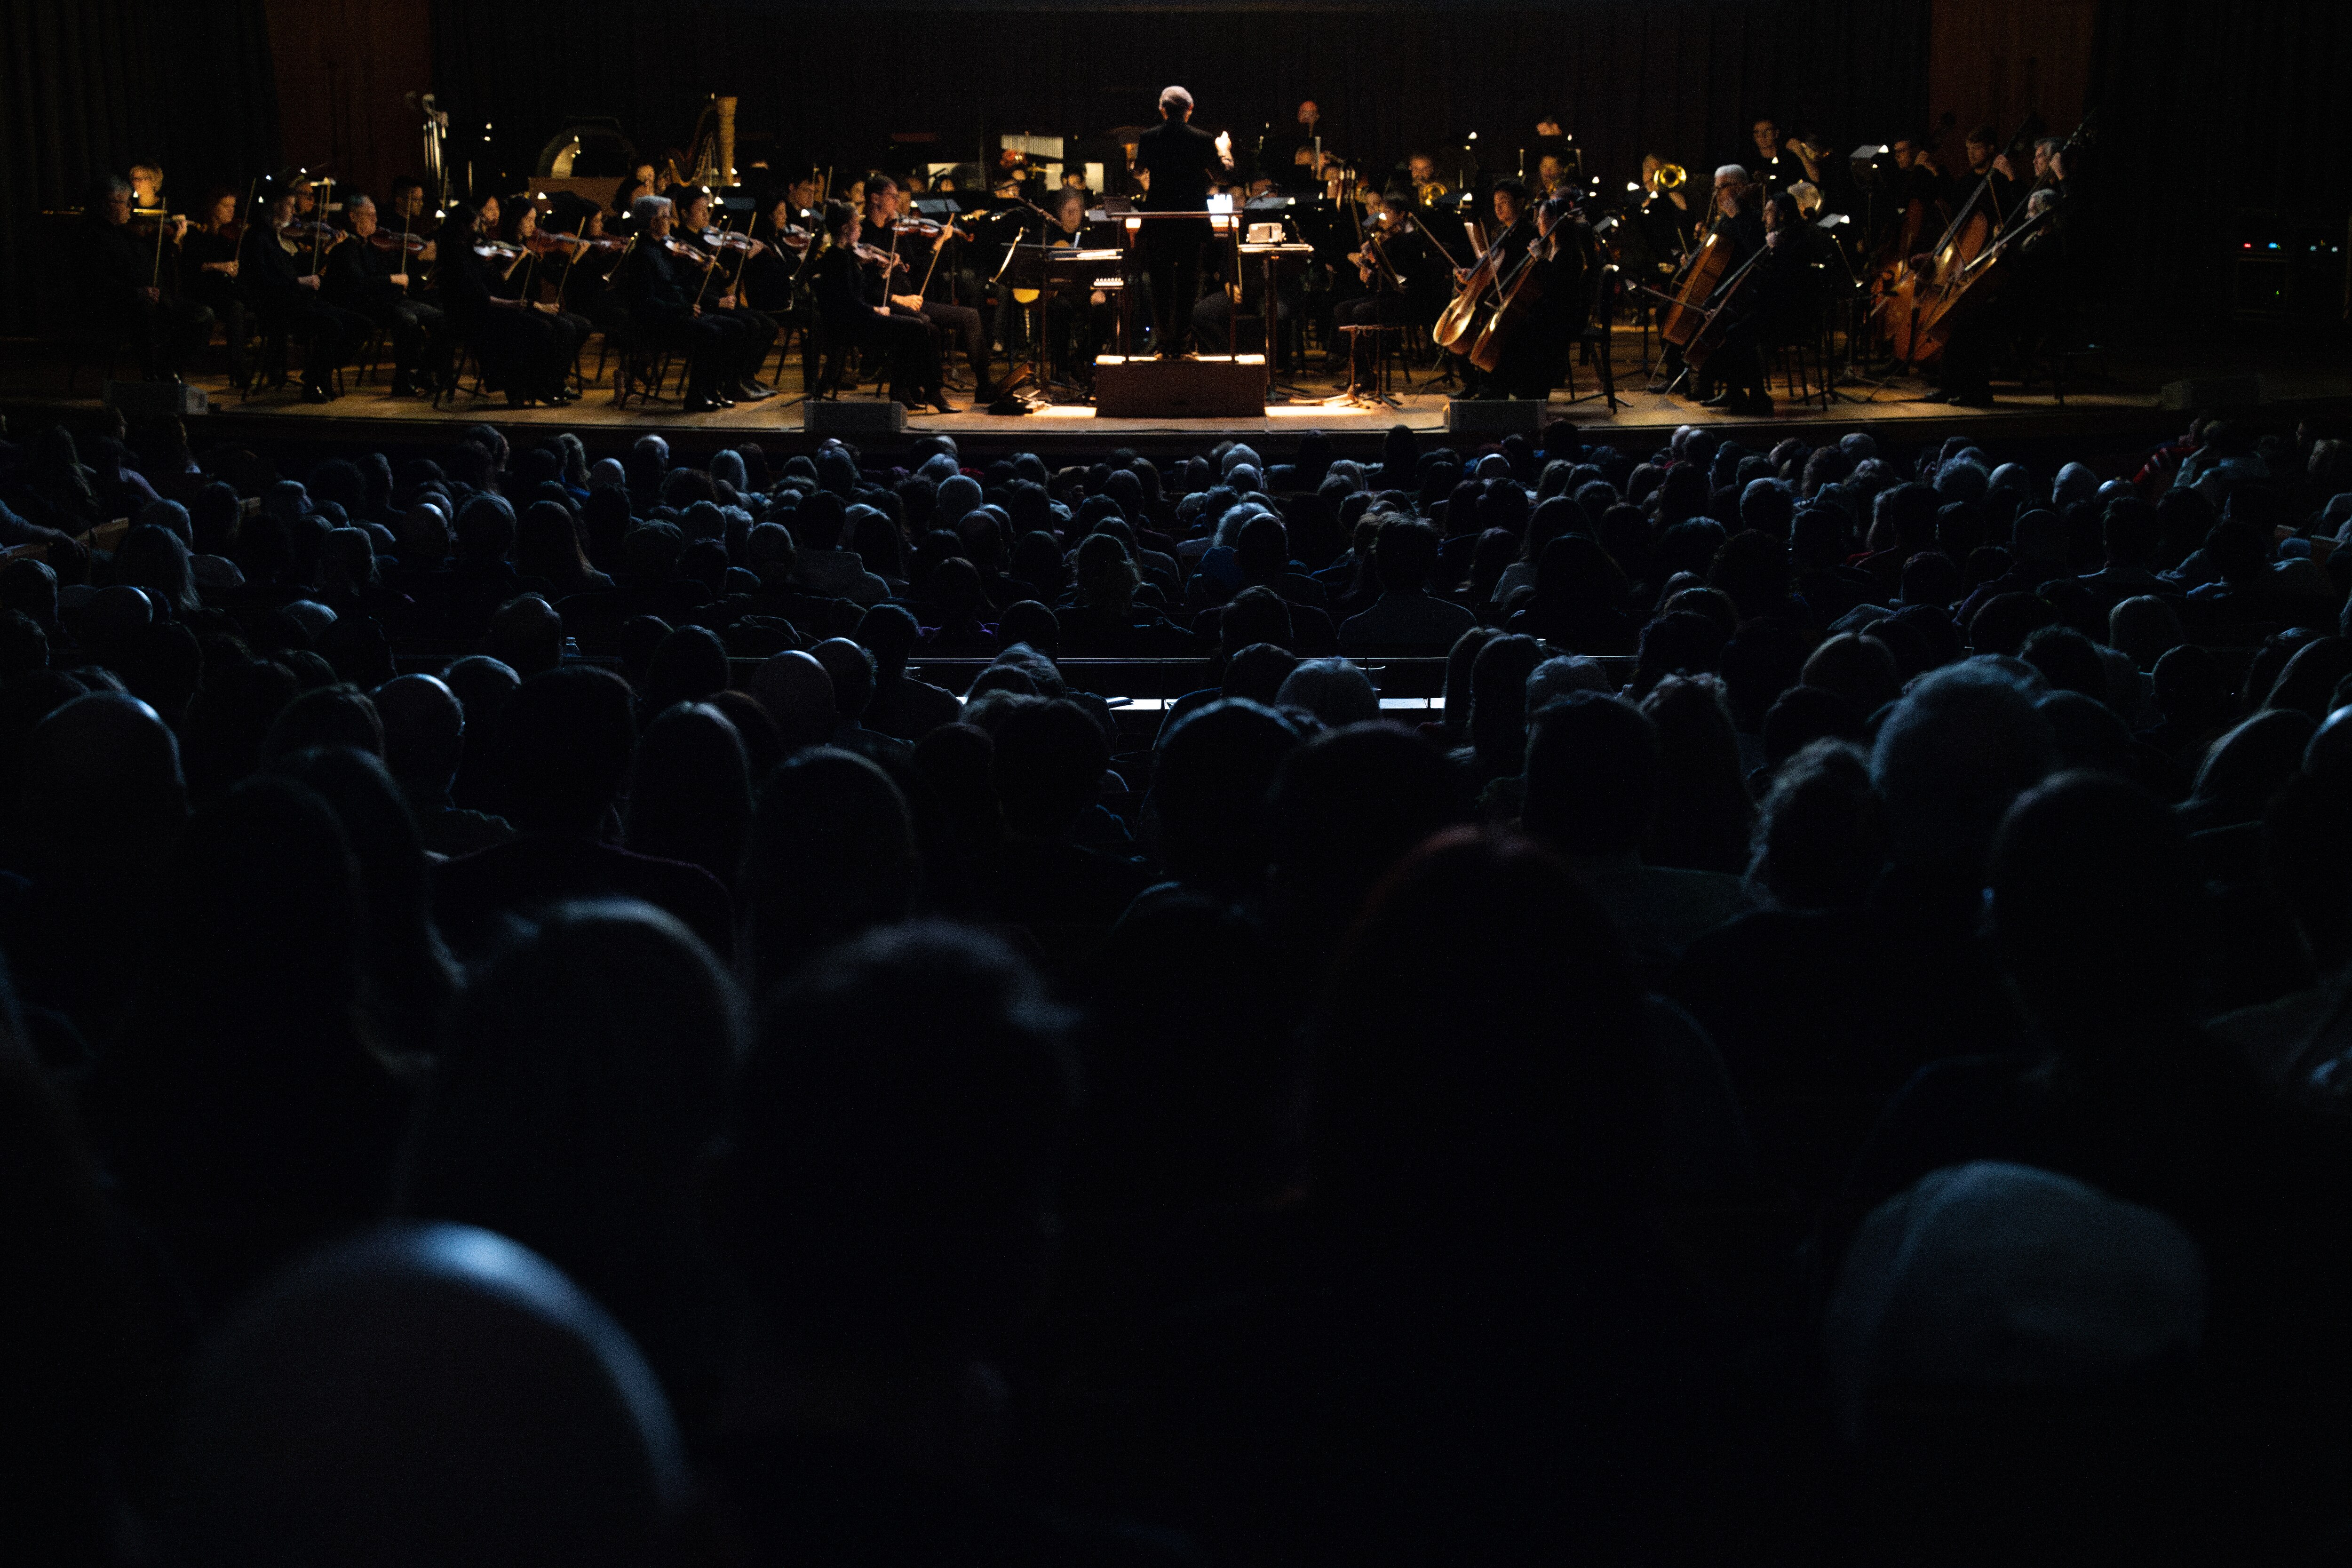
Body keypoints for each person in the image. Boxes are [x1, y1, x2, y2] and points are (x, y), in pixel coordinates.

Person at [618, 193, 752, 414]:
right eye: (665, 217)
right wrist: (684, 308)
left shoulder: (663, 248)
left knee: (734, 327)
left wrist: (697, 270)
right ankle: (697, 396)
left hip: (678, 313)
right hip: (658, 322)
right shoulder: (641, 254)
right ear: (653, 222)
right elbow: (647, 302)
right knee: (711, 331)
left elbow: (678, 284)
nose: (670, 221)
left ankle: (712, 389)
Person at [808, 201, 947, 413]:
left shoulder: (844, 255)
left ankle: (906, 391)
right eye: (857, 224)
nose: (861, 228)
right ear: (847, 229)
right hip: (852, 324)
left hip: (858, 318)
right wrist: (875, 310)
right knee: (917, 328)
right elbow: (847, 303)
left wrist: (884, 274)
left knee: (917, 327)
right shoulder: (837, 258)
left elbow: (859, 291)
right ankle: (927, 391)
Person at [76, 175, 213, 383]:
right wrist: (138, 293)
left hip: (150, 298)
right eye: (124, 202)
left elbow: (154, 265)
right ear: (106, 204)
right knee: (147, 312)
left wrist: (174, 242)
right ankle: (154, 375)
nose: (131, 207)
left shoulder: (128, 234)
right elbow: (97, 282)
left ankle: (168, 365)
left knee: (204, 315)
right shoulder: (92, 236)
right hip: (116, 305)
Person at [1133, 85, 1234, 357]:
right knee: (1189, 285)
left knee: (1160, 286)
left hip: (1159, 222)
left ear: (1162, 110)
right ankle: (1184, 346)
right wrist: (1224, 150)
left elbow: (1139, 170)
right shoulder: (1203, 139)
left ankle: (1165, 346)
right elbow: (1223, 176)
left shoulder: (1148, 137)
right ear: (1190, 110)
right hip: (1191, 222)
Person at [323, 192, 448, 398]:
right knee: (407, 319)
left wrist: (413, 270)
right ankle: (402, 379)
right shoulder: (345, 247)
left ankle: (424, 373)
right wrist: (393, 280)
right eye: (370, 215)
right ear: (353, 217)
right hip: (367, 304)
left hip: (392, 299)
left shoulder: (372, 244)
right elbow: (360, 283)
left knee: (441, 318)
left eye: (376, 215)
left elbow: (397, 272)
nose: (376, 219)